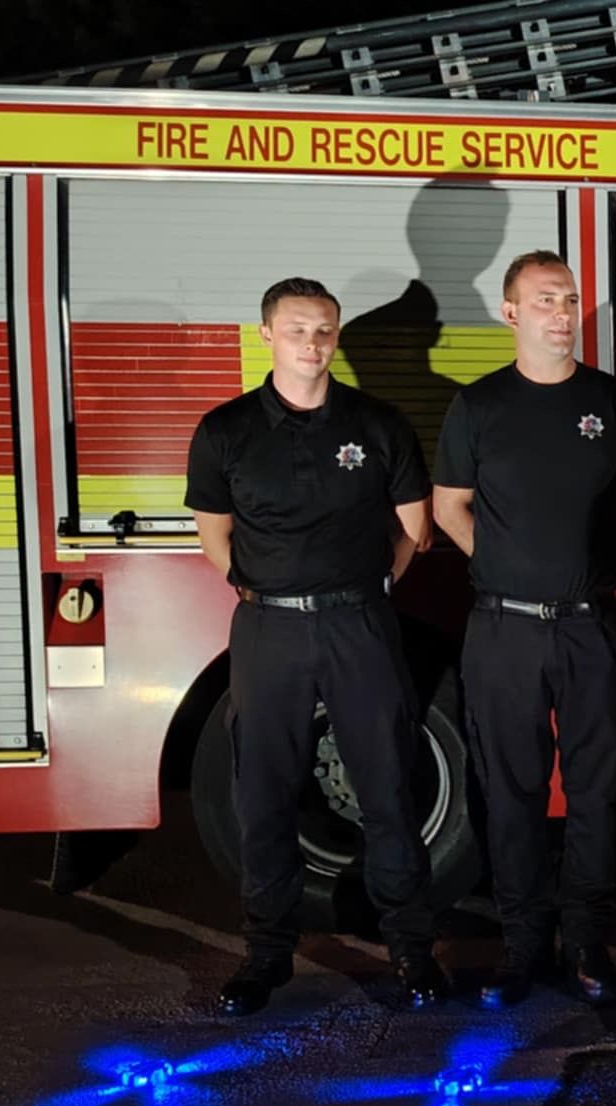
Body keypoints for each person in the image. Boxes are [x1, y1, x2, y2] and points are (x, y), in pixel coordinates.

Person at [185, 277, 447, 1016]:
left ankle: (411, 952)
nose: (312, 341)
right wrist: (258, 588)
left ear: (337, 337)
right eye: (298, 328)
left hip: (358, 625)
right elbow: (214, 533)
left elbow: (415, 528)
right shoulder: (227, 429)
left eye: (325, 329)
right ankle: (266, 956)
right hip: (268, 629)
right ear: (267, 334)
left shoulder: (376, 423)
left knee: (388, 790)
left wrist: (366, 591)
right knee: (263, 796)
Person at [432, 251, 616, 1009]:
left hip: (593, 628)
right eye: (542, 301)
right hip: (504, 631)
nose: (561, 313)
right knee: (512, 794)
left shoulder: (614, 402)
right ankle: (523, 947)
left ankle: (589, 944)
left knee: (598, 793)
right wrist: (505, 565)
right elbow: (447, 507)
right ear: (510, 313)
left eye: (569, 300)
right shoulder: (479, 406)